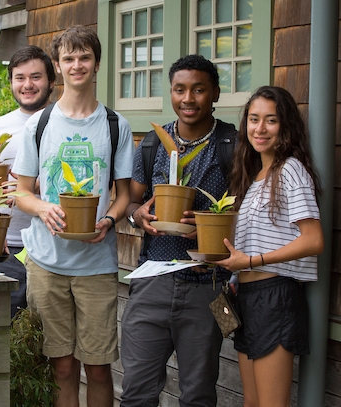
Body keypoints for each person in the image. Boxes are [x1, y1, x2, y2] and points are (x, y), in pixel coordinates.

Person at [13, 26, 134, 407]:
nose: (77, 64)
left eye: (84, 57)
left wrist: (110, 220)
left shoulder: (115, 126)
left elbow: (124, 195)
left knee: (98, 367)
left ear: (96, 63)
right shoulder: (40, 124)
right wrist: (43, 208)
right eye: (69, 58)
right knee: (61, 366)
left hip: (96, 264)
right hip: (46, 263)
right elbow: (20, 191)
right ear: (58, 67)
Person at [120, 54, 237, 407]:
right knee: (137, 393)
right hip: (151, 281)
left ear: (215, 93)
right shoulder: (154, 144)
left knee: (198, 395)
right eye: (180, 89)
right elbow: (129, 202)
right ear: (170, 93)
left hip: (208, 287)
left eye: (199, 89)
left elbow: (247, 212)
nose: (188, 98)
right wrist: (136, 215)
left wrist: (208, 230)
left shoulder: (232, 145)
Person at [213, 86, 323, 407]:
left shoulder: (290, 170)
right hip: (245, 297)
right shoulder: (255, 174)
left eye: (270, 120)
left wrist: (251, 261)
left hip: (275, 297)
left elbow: (314, 240)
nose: (260, 129)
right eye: (254, 119)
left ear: (285, 126)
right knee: (251, 402)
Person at [0, 45, 56, 318]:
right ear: (11, 82)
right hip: (7, 248)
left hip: (53, 247)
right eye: (19, 77)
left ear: (51, 80)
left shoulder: (65, 123)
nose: (27, 85)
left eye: (36, 77)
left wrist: (34, 186)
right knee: (2, 333)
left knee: (49, 337)